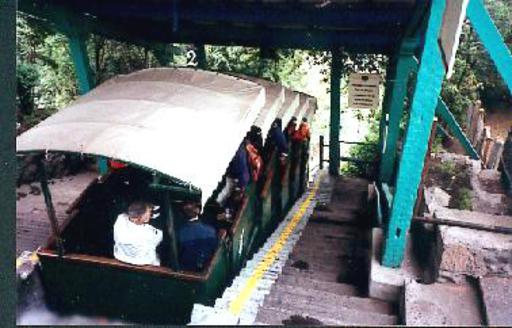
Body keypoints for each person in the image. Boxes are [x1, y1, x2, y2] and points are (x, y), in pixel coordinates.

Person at [113, 201, 163, 266]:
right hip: (145, 263)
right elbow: (159, 238)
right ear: (140, 219)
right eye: (148, 214)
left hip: (121, 257)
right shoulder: (149, 233)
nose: (150, 214)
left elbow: (128, 214)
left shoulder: (120, 219)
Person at [177, 201, 219, 271]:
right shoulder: (211, 231)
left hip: (185, 272)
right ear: (198, 211)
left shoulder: (179, 233)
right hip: (205, 269)